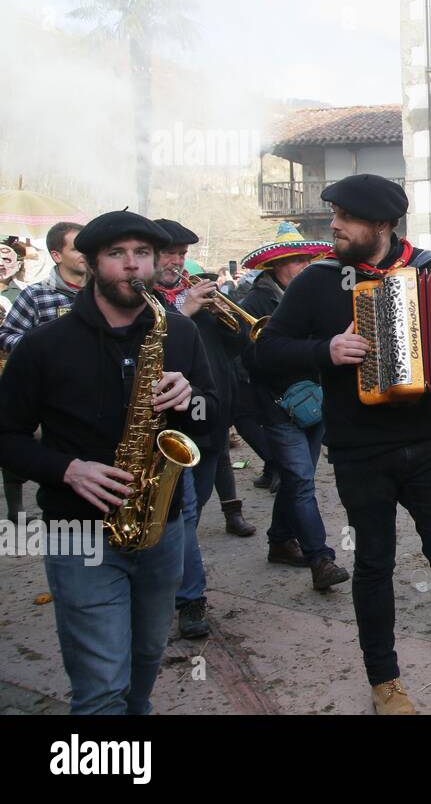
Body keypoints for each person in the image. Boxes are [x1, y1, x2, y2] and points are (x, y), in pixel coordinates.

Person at [254, 174, 431, 715]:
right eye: (335, 215)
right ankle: (386, 685)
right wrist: (325, 350)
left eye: (345, 217)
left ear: (382, 224)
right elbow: (265, 351)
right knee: (374, 565)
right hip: (359, 449)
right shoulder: (318, 281)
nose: (334, 225)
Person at [0, 210, 216, 713]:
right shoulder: (45, 345)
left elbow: (213, 416)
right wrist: (67, 469)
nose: (132, 266)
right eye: (117, 254)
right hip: (78, 531)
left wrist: (191, 400)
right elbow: (6, 435)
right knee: (100, 686)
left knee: (145, 659)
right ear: (94, 264)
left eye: (142, 254)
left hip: (161, 528)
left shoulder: (179, 332)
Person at [152, 219, 255, 640]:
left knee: (190, 512)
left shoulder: (199, 293)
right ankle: (188, 597)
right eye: (168, 253)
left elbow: (237, 347)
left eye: (181, 254)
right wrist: (185, 313)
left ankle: (172, 578)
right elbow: (151, 350)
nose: (176, 261)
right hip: (166, 424)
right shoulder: (144, 301)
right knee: (182, 512)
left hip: (209, 417)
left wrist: (229, 318)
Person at [238, 223, 348, 592]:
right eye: (293, 260)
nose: (302, 265)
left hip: (314, 401)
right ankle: (320, 558)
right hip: (277, 405)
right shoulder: (253, 303)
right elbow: (251, 361)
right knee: (301, 481)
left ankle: (279, 541)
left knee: (295, 479)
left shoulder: (310, 294)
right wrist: (303, 352)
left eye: (305, 259)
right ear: (275, 266)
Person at [1, 221, 85, 523]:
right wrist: (39, 350)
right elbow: (6, 335)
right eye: (77, 248)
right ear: (56, 255)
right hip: (45, 392)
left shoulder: (103, 294)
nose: (85, 253)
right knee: (24, 445)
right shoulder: (36, 295)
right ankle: (16, 510)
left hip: (87, 392)